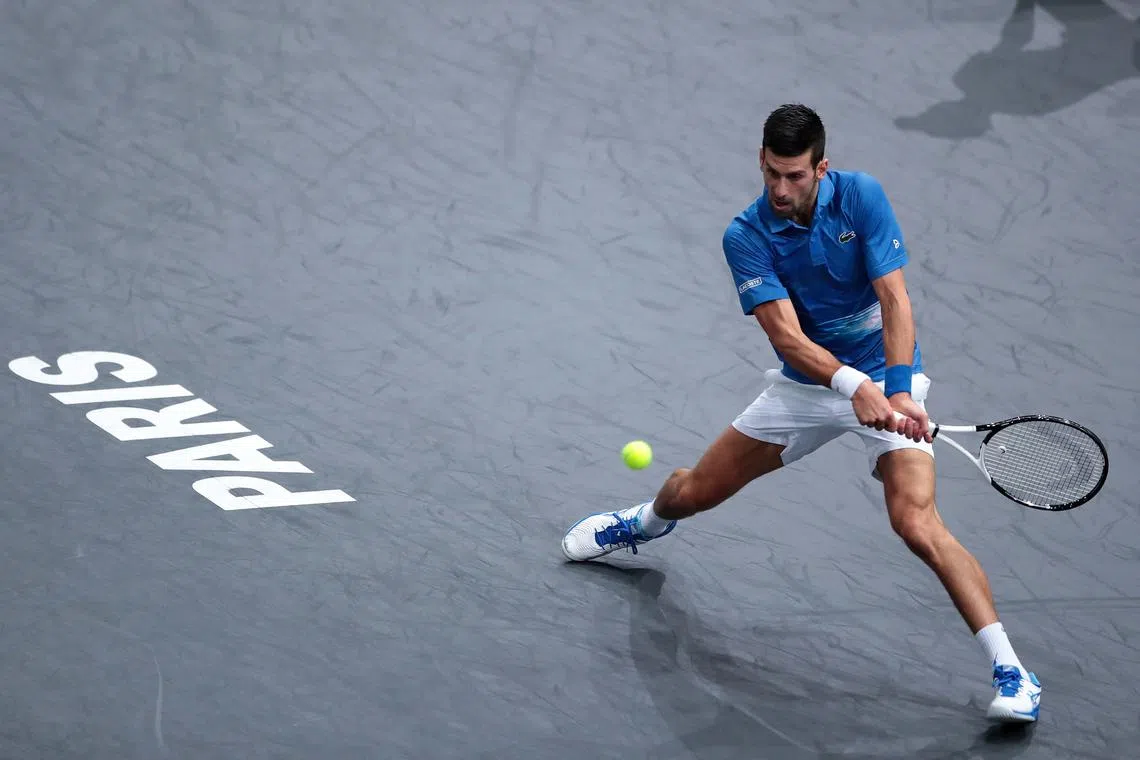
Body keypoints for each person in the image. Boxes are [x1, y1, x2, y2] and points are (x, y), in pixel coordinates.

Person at [560, 104, 1041, 724]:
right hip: (807, 388)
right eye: (772, 175)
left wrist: (895, 390)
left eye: (795, 176)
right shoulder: (746, 235)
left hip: (890, 377)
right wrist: (849, 386)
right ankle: (645, 522)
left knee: (917, 523)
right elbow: (787, 338)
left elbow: (894, 299)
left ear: (822, 167)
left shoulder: (861, 197)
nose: (781, 190)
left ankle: (1013, 672)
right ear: (761, 162)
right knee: (693, 493)